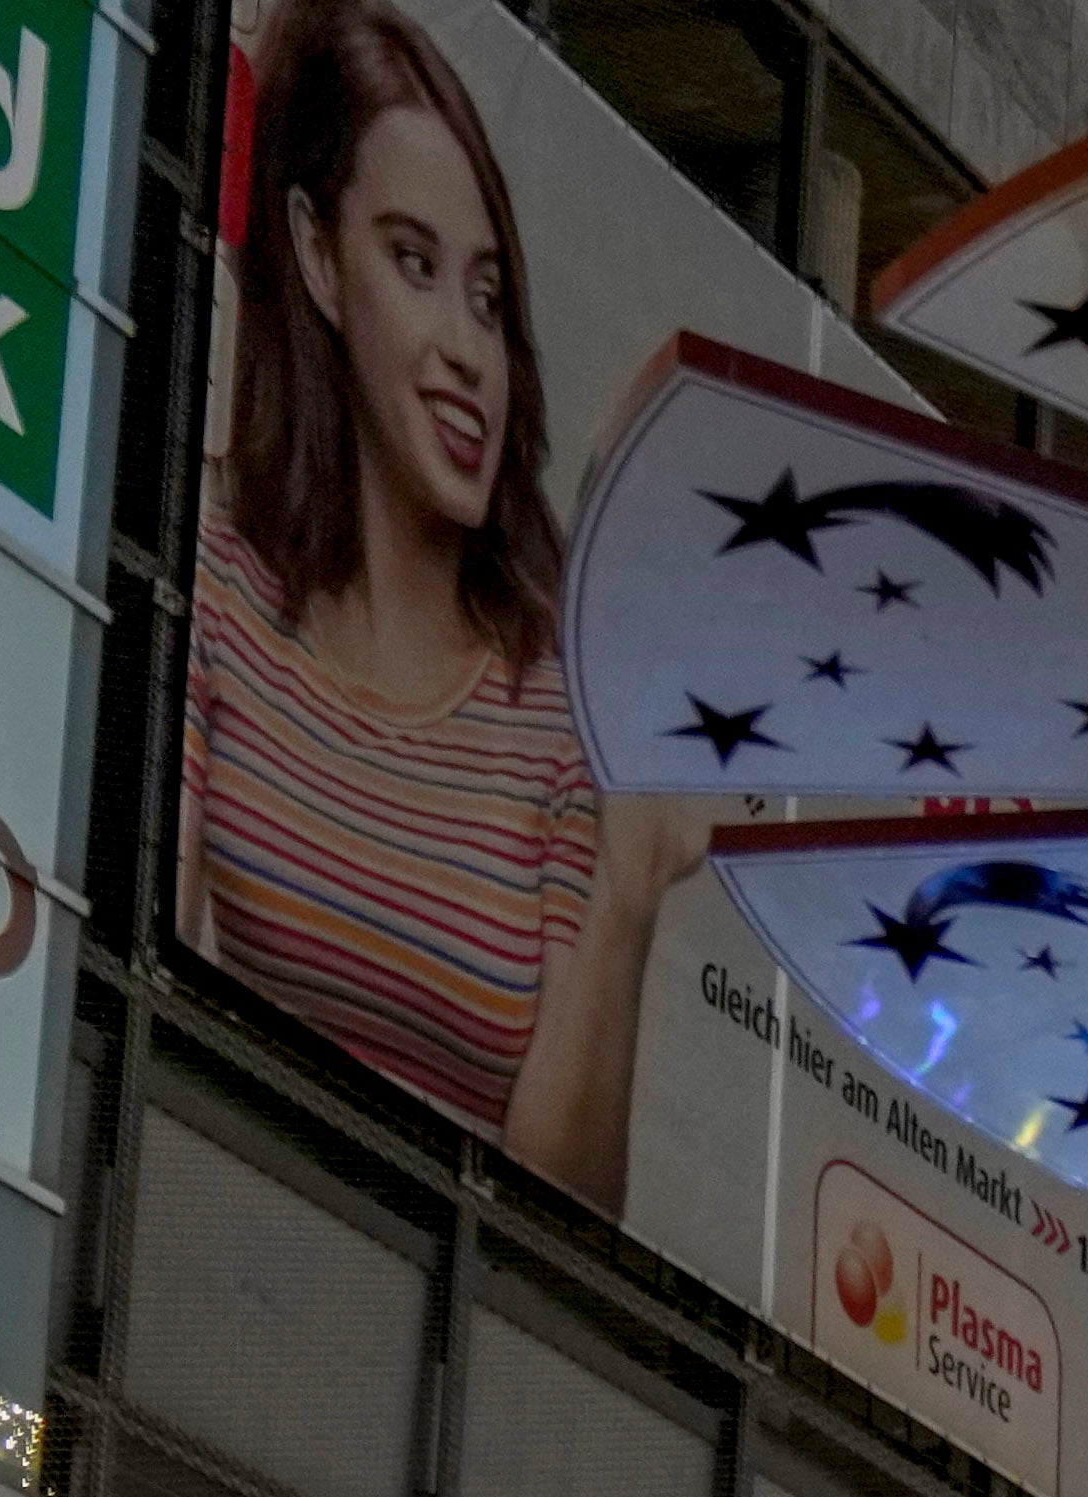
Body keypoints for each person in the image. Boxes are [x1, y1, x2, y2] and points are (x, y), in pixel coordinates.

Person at [181, 0, 713, 1201]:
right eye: (412, 265)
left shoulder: (557, 705)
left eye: (485, 295)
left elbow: (565, 1214)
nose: (469, 348)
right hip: (207, 1229)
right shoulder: (216, 565)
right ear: (318, 256)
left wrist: (628, 895)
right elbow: (132, 974)